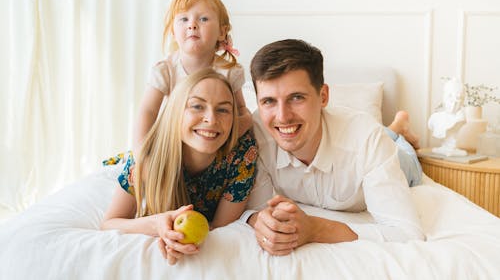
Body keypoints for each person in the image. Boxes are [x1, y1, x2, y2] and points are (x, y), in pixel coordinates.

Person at [242, 39, 424, 256]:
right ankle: (394, 128)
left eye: (296, 97)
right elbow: (254, 210)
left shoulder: (367, 139)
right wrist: (259, 221)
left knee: (407, 161)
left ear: (323, 96)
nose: (282, 116)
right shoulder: (257, 135)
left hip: (398, 160)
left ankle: (398, 130)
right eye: (269, 101)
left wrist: (315, 229)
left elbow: (407, 232)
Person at [101, 69, 257, 265]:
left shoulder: (242, 155)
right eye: (197, 106)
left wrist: (181, 241)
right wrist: (157, 224)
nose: (211, 119)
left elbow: (220, 227)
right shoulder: (148, 156)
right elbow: (109, 223)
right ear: (176, 112)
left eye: (223, 109)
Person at [133, 0, 252, 151]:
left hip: (213, 142)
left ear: (222, 32)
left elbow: (241, 112)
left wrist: (232, 132)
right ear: (173, 32)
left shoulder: (228, 71)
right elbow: (148, 111)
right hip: (174, 145)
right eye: (184, 19)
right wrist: (141, 154)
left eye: (203, 19)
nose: (192, 25)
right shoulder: (166, 70)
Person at [428, 77, 467, 156]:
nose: (453, 102)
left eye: (459, 98)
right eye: (449, 96)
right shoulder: (435, 118)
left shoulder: (460, 118)